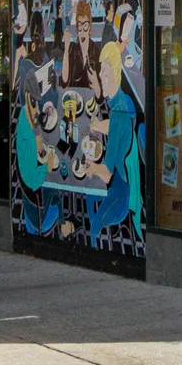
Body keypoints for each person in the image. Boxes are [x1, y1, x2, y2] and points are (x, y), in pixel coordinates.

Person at [59, 42, 140, 248]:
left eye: (104, 71)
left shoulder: (120, 112)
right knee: (87, 196)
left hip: (119, 192)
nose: (101, 76)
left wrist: (89, 167)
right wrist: (96, 126)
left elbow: (106, 172)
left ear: (115, 72)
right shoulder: (118, 104)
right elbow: (112, 126)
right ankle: (74, 224)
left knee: (94, 224)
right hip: (116, 183)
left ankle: (93, 248)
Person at [62, 0, 101, 93]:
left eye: (86, 25)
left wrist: (96, 85)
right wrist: (66, 49)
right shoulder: (73, 49)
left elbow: (100, 95)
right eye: (80, 25)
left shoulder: (96, 51)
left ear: (90, 27)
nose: (83, 30)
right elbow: (64, 82)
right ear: (76, 27)